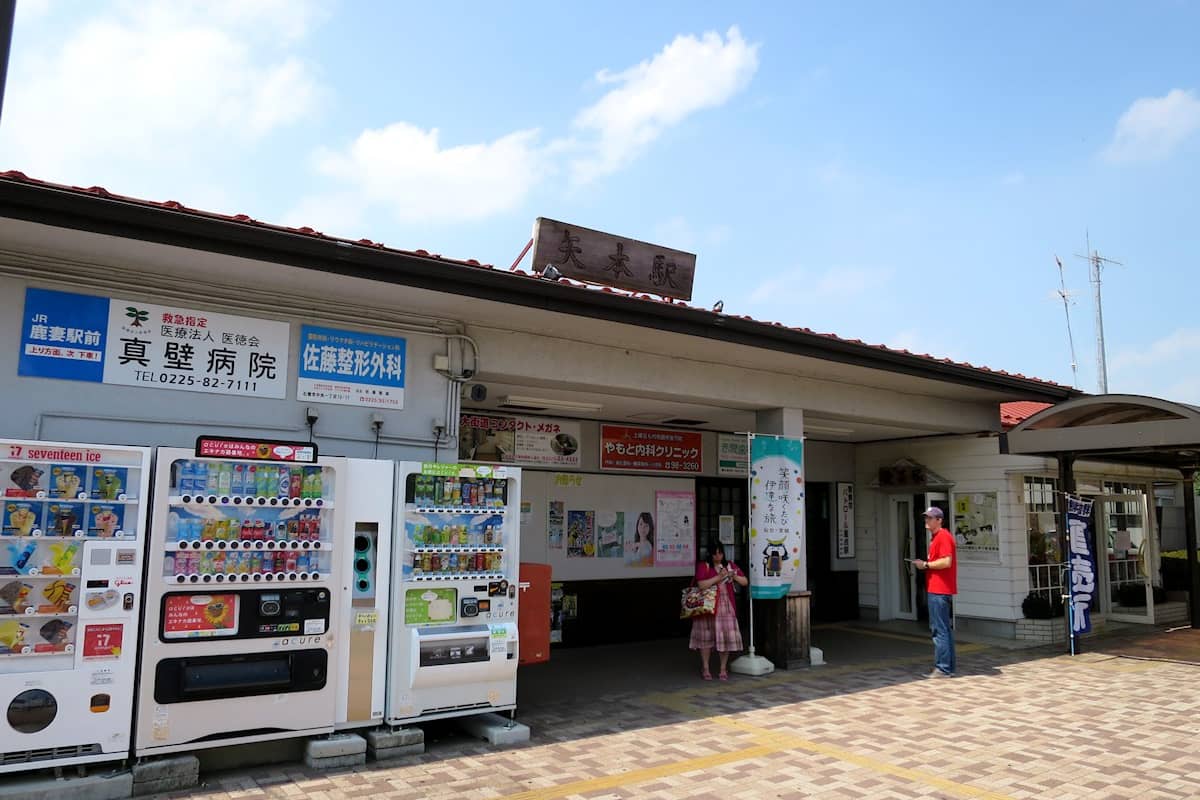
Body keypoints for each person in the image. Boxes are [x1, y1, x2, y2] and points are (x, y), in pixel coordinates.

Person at [689, 542, 747, 681]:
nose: (718, 556)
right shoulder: (704, 566)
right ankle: (706, 667)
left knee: (725, 637)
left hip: (725, 605)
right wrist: (719, 577)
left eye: (720, 553)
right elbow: (701, 584)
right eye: (715, 553)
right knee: (705, 637)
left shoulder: (730, 565)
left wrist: (734, 576)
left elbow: (745, 581)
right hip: (708, 606)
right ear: (710, 554)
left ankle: (722, 668)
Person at [913, 506, 958, 678]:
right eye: (926, 518)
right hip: (938, 589)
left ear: (939, 520)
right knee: (943, 629)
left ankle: (943, 668)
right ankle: (947, 667)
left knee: (939, 630)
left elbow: (946, 562)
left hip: (939, 590)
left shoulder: (943, 537)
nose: (927, 521)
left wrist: (925, 565)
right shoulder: (937, 537)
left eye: (930, 518)